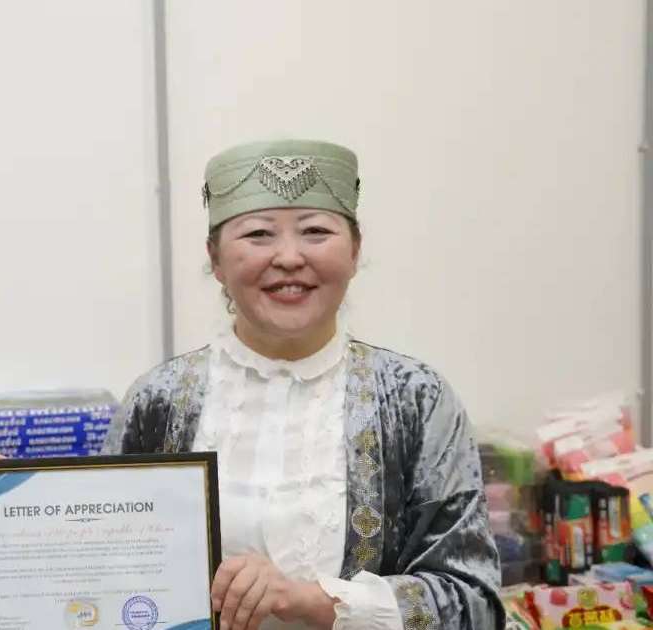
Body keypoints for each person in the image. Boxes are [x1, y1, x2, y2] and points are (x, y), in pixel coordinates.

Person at [103, 139, 502, 629]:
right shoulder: (157, 401)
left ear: (355, 251)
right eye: (258, 235)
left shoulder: (417, 399)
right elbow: (110, 576)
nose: (289, 257)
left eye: (316, 232)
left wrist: (314, 601)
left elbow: (474, 603)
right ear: (216, 258)